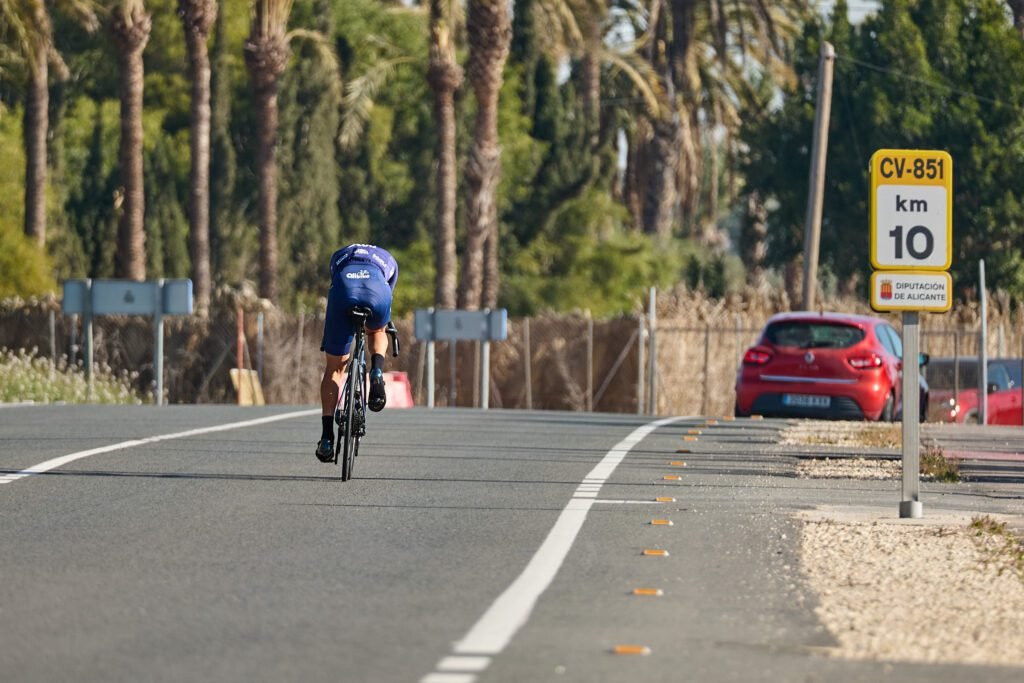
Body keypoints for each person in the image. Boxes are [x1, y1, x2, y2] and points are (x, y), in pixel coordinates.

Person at [316, 243, 398, 462]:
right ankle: (377, 372)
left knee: (334, 368)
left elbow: (335, 284)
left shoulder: (339, 256)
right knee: (378, 329)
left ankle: (326, 438)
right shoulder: (388, 259)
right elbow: (387, 296)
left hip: (345, 291)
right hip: (377, 292)